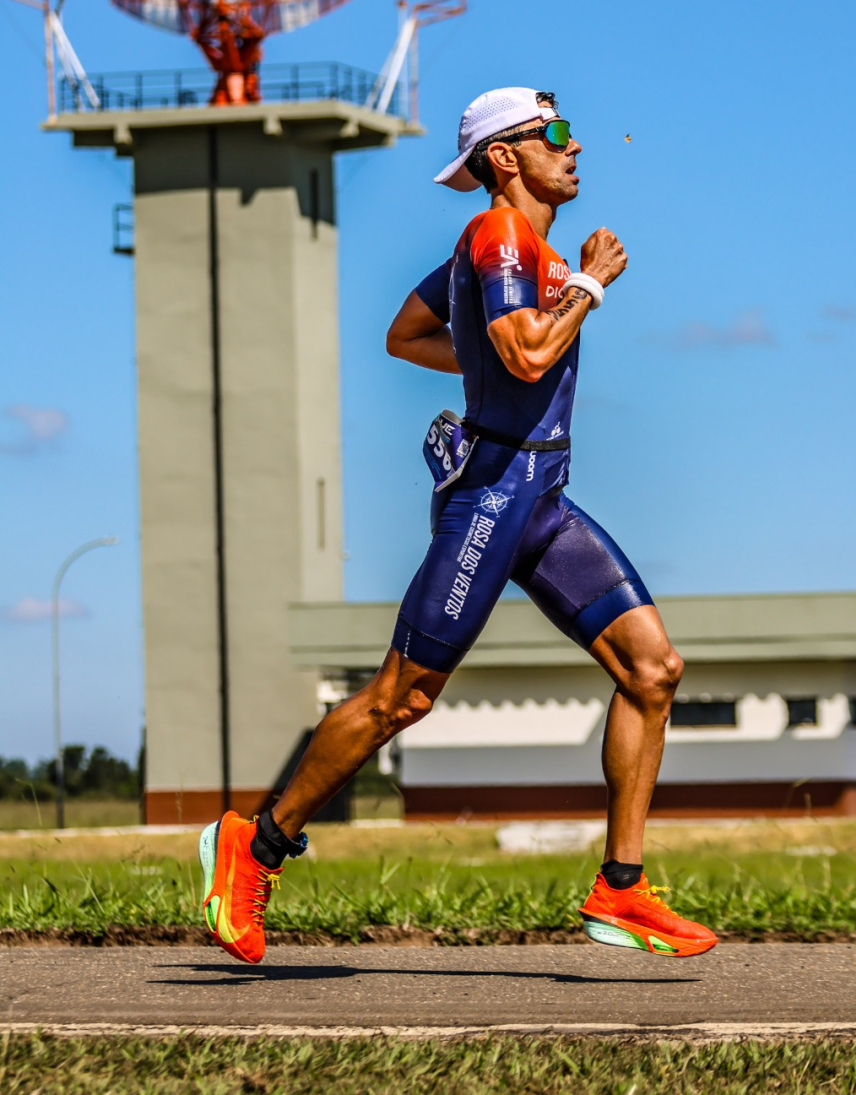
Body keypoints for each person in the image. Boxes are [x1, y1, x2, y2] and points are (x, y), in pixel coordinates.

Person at [199, 87, 717, 963]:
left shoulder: (521, 251)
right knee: (402, 695)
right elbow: (524, 352)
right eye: (553, 132)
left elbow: (407, 335)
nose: (575, 144)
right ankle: (254, 843)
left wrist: (492, 358)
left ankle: (620, 889)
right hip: (491, 497)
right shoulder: (500, 237)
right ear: (505, 157)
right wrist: (590, 283)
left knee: (653, 669)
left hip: (541, 493)